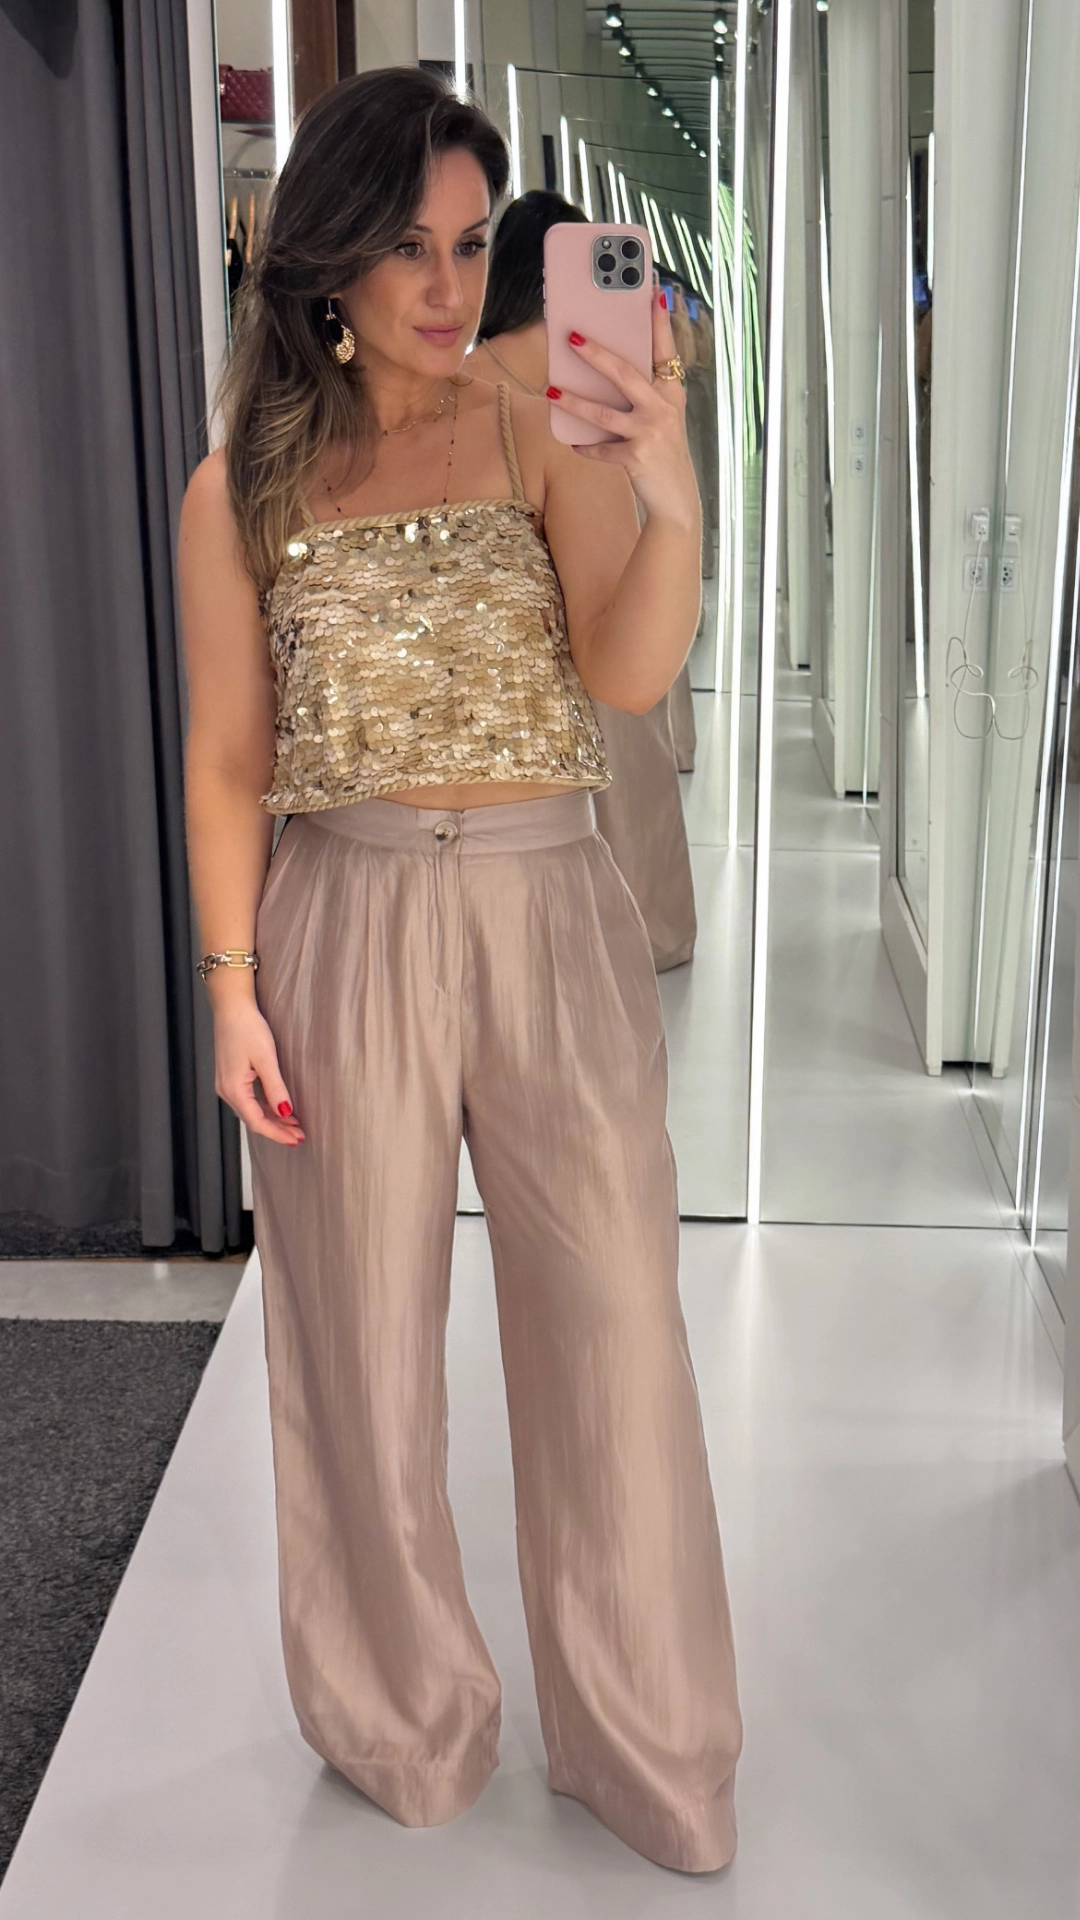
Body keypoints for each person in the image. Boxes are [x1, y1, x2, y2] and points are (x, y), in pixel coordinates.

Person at [178, 68, 741, 1875]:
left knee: (616, 1331)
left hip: (548, 908)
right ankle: (400, 1715)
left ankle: (651, 1745)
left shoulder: (533, 428)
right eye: (408, 247)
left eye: (473, 242)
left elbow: (626, 676)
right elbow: (228, 762)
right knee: (357, 1344)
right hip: (341, 920)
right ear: (327, 259)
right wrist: (231, 987)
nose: (447, 283)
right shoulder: (244, 486)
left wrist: (670, 496)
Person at [469, 190, 698, 968]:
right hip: (560, 678)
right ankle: (639, 932)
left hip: (593, 641)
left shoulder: (599, 391)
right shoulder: (483, 399)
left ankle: (632, 935)